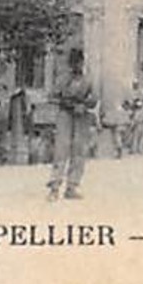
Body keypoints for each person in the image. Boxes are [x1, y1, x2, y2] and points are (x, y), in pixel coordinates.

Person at [48, 48, 96, 200]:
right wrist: (69, 104)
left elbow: (94, 98)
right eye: (75, 63)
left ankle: (72, 186)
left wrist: (86, 104)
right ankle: (55, 186)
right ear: (70, 64)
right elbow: (52, 97)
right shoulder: (62, 79)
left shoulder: (88, 80)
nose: (78, 66)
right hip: (65, 115)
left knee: (79, 150)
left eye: (80, 62)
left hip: (82, 117)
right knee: (61, 149)